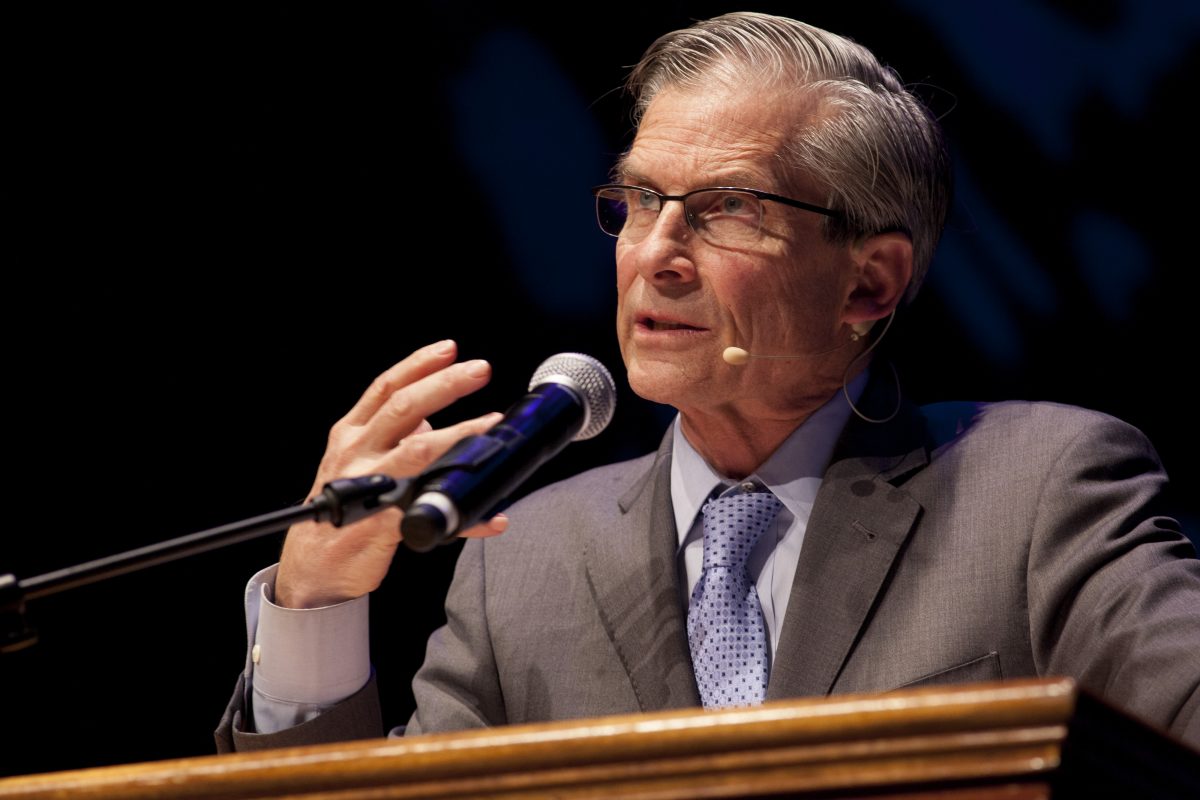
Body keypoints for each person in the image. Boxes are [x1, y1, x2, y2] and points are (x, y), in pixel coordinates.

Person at [216, 12, 1199, 751]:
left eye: (728, 208)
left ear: (870, 281)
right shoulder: (525, 560)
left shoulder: (1039, 490)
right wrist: (315, 606)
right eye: (640, 200)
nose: (656, 253)